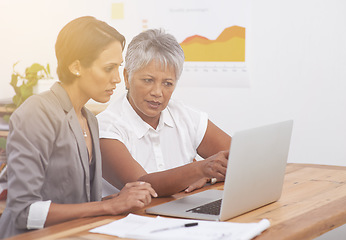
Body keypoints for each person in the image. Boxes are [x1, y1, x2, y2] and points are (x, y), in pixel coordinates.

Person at [0, 16, 157, 239]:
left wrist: (115, 201)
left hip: (75, 233)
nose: (117, 79)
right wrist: (106, 207)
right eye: (108, 68)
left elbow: (78, 205)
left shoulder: (89, 119)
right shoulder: (37, 113)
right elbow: (24, 212)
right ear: (76, 67)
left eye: (118, 67)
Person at [97, 29, 231, 197]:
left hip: (178, 214)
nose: (157, 92)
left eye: (167, 83)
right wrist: (200, 170)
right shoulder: (106, 126)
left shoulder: (183, 115)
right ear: (127, 77)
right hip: (129, 220)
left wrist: (208, 177)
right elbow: (142, 185)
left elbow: (240, 159)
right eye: (148, 80)